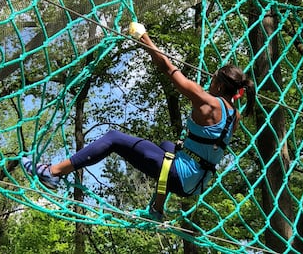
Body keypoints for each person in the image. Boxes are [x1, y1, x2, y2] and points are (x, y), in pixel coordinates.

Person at [21, 22, 255, 221]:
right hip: (198, 183)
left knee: (114, 138)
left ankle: (53, 171)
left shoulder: (209, 103)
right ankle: (157, 208)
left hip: (181, 175)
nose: (209, 82)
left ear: (221, 86)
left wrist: (143, 37)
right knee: (167, 146)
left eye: (213, 79)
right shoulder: (234, 116)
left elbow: (168, 68)